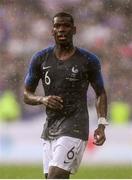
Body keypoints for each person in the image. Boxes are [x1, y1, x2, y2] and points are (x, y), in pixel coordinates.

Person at [24, 12, 108, 179]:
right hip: (50, 127)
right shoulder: (40, 59)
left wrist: (101, 124)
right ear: (52, 31)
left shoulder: (88, 60)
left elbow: (100, 93)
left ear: (74, 30)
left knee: (56, 176)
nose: (61, 30)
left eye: (66, 26)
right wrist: (43, 99)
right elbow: (27, 94)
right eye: (57, 26)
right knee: (52, 178)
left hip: (75, 126)